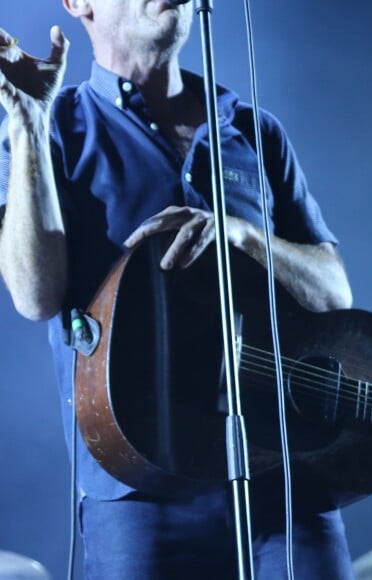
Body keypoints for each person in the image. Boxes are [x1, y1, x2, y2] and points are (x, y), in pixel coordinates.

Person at [0, 1, 353, 578]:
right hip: (138, 492)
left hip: (282, 481)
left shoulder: (251, 130)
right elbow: (35, 296)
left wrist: (243, 236)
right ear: (79, 3)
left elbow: (335, 293)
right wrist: (28, 124)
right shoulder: (50, 128)